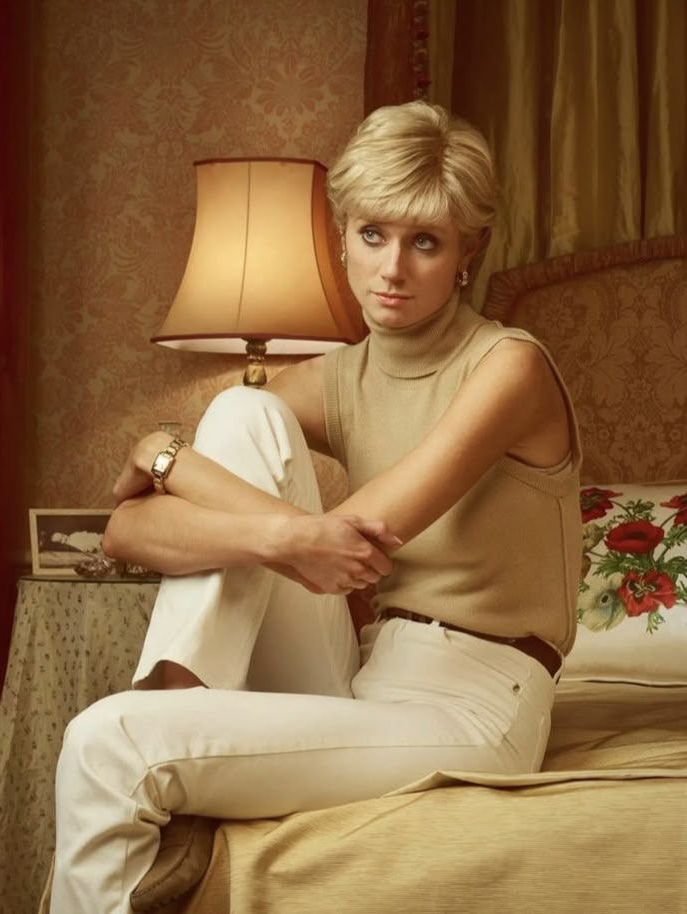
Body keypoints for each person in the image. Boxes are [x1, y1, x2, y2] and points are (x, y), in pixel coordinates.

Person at [50, 101, 582, 913]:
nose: (392, 269)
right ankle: (183, 705)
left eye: (425, 242)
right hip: (366, 669)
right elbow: (126, 529)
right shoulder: (338, 380)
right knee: (241, 412)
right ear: (341, 236)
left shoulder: (509, 369)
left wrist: (161, 458)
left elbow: (352, 540)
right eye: (372, 234)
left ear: (468, 252)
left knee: (104, 741)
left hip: (478, 703)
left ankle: (168, 727)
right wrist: (199, 474)